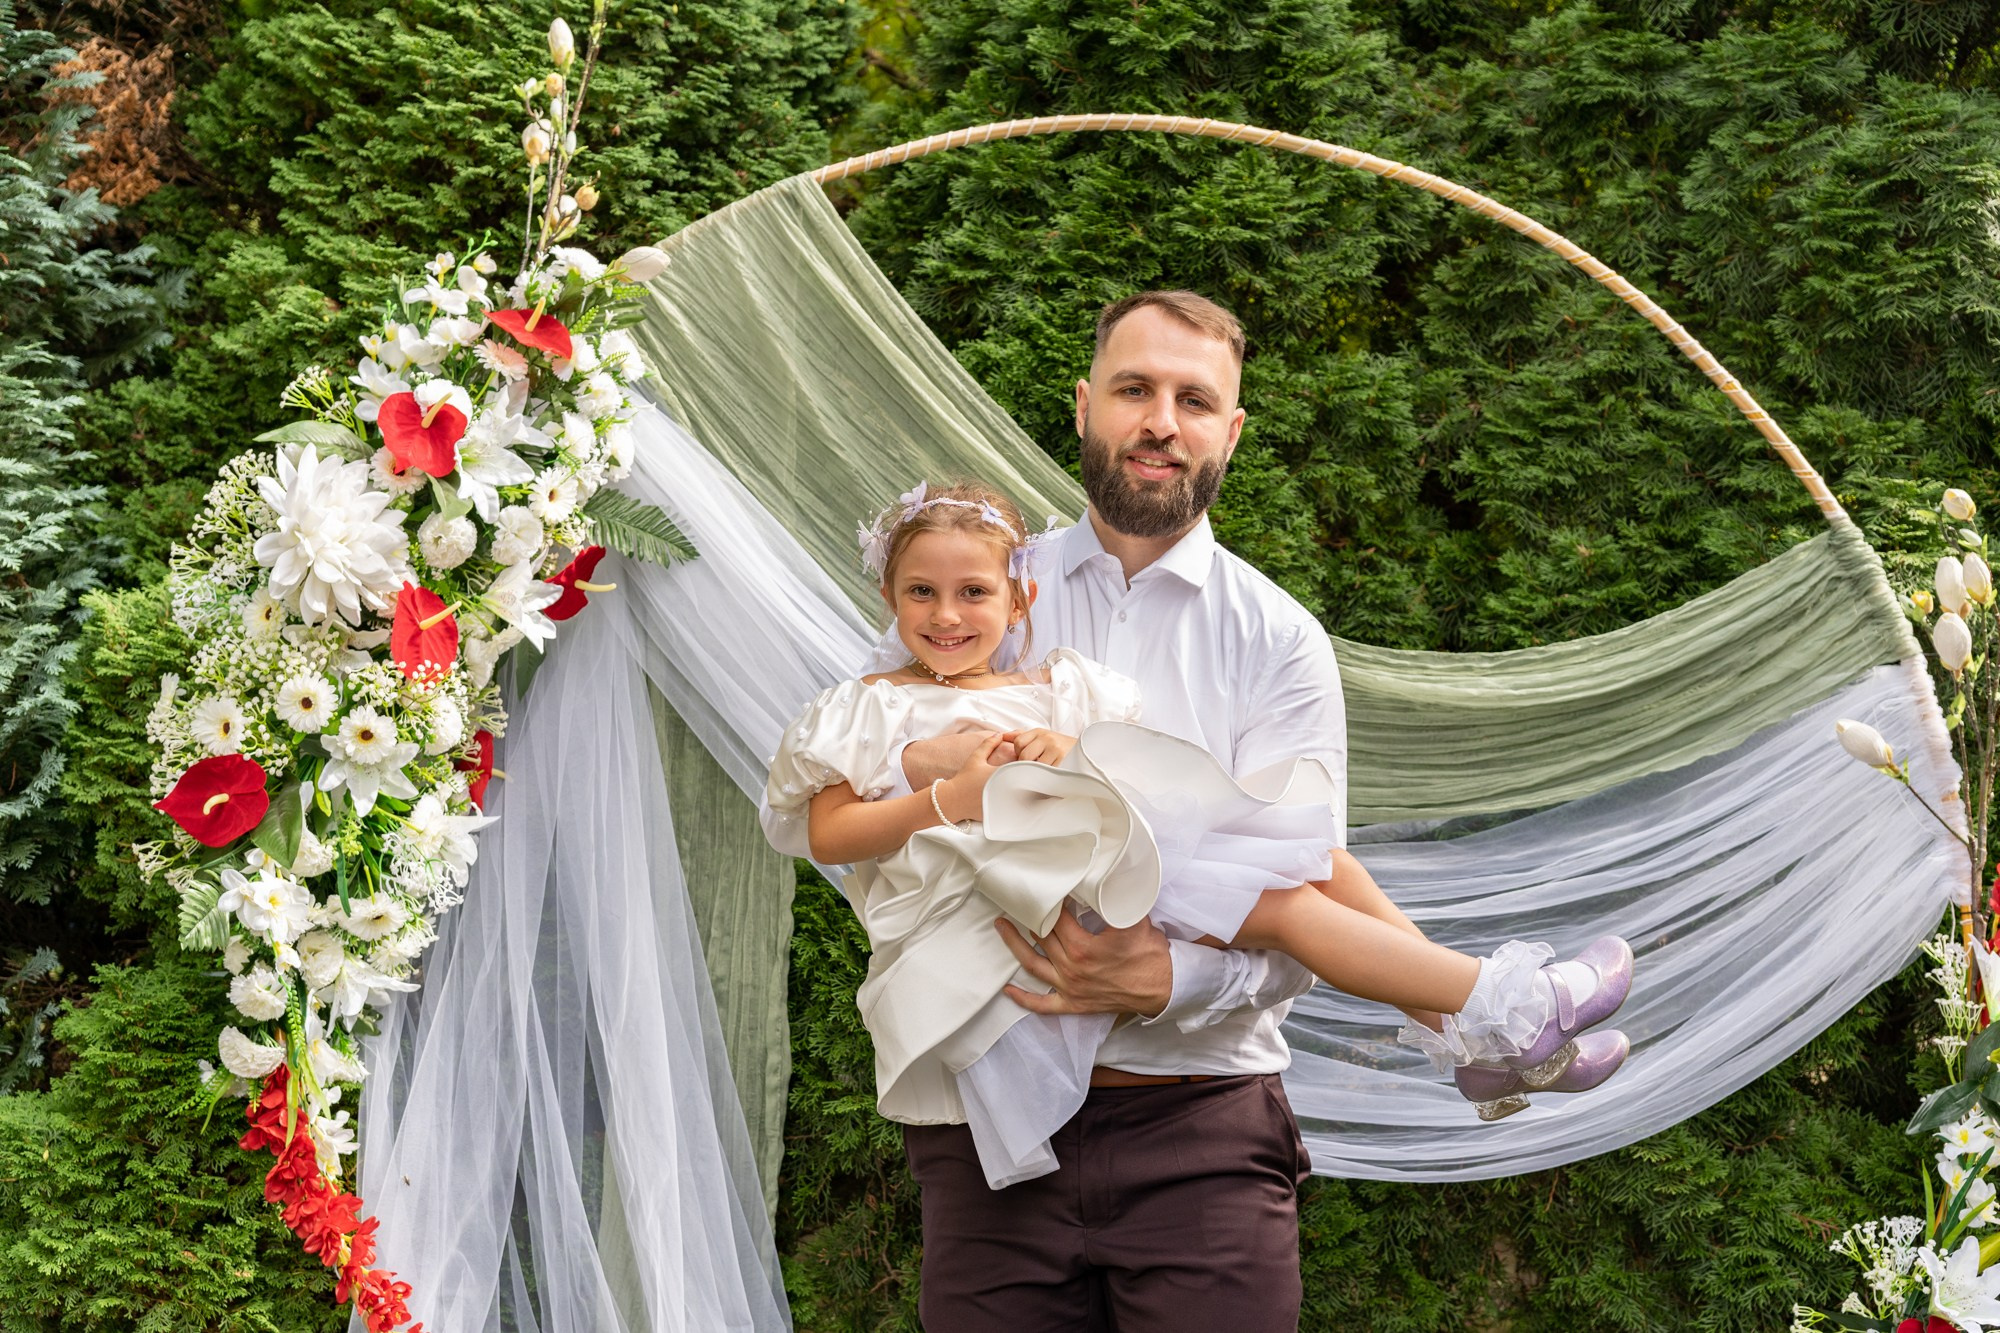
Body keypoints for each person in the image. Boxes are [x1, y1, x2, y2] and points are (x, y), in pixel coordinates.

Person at [766, 291, 1632, 1330]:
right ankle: (1479, 1014)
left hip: (1198, 1132)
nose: (1158, 421)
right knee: (1270, 863)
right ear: (1085, 406)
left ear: (1230, 430)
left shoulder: (1275, 639)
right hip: (987, 1123)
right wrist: (939, 770)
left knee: (1288, 861)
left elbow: (1304, 885)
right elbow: (864, 792)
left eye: (1192, 398)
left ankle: (1478, 1015)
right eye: (1132, 389)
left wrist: (1165, 977)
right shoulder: (973, 582)